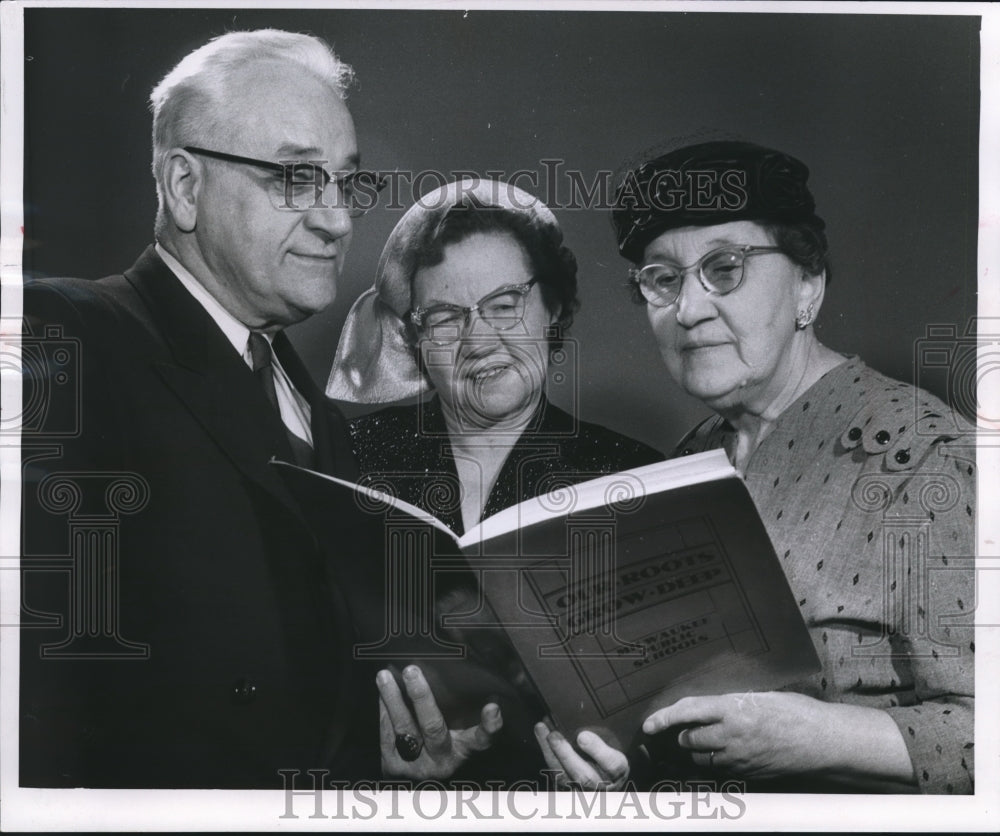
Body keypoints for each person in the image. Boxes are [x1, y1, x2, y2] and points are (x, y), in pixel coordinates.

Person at [20, 29, 383, 788]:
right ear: (185, 187)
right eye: (295, 177)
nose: (338, 219)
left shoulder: (319, 416)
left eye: (345, 182)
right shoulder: (61, 336)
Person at [587, 137, 975, 793]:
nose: (688, 309)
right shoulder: (691, 461)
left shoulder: (924, 457)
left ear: (808, 287)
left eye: (725, 268)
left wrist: (818, 737)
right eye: (663, 279)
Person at [327, 178, 662, 783]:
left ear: (552, 307)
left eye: (505, 304)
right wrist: (372, 760)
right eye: (446, 318)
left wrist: (625, 770)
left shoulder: (636, 475)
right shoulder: (348, 460)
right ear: (414, 338)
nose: (480, 339)